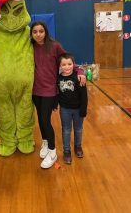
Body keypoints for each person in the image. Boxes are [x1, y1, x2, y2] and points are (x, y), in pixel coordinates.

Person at [30, 21, 86, 169]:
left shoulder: (55, 46)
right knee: (40, 120)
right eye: (34, 31)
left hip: (49, 90)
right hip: (35, 90)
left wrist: (79, 71)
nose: (38, 34)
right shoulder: (30, 47)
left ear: (46, 32)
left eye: (41, 31)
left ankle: (53, 152)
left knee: (45, 119)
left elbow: (67, 62)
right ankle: (45, 142)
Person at [57, 53, 88, 164]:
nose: (67, 67)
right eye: (64, 64)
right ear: (60, 66)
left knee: (78, 129)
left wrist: (83, 109)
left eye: (69, 64)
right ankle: (66, 151)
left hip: (78, 109)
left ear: (73, 64)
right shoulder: (58, 78)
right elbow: (56, 93)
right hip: (64, 110)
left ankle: (78, 147)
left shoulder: (79, 77)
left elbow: (84, 95)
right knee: (66, 130)